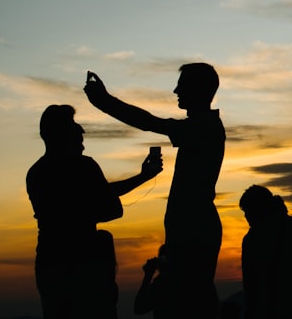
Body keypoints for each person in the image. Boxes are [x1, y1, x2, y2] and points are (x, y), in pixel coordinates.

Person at [84, 63, 225, 318]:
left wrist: (104, 101)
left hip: (195, 228)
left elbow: (148, 123)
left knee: (192, 301)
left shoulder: (203, 127)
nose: (175, 91)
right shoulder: (202, 126)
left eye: (181, 86)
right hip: (192, 226)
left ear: (197, 89)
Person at [27, 104, 163, 319]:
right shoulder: (84, 167)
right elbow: (109, 208)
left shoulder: (36, 173)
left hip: (50, 261)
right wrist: (142, 178)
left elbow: (98, 193)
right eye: (73, 126)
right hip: (86, 263)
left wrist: (142, 177)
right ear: (63, 134)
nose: (82, 130)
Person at [239, 185, 292, 319]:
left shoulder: (252, 238)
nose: (246, 216)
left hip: (273, 306)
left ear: (258, 209)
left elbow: (250, 282)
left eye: (248, 210)